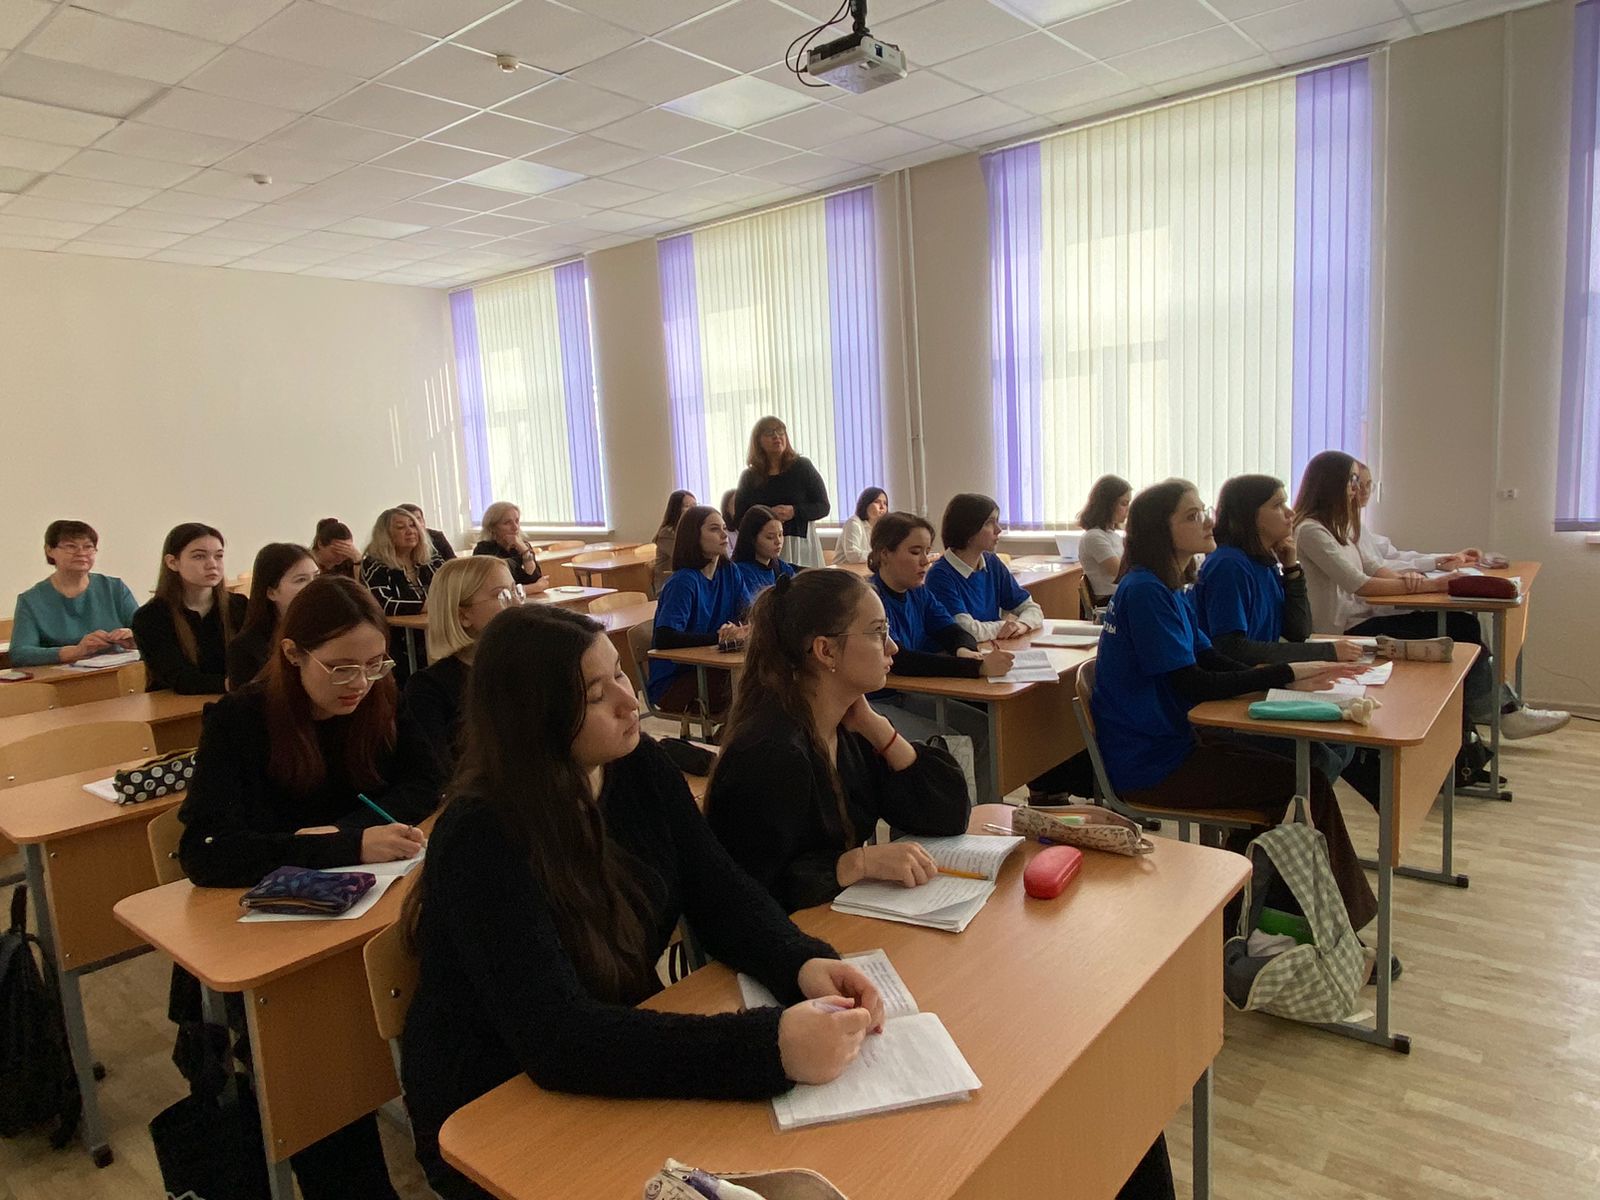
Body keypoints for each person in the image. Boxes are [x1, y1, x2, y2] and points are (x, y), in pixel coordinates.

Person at [399, 604, 885, 1200]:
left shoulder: (636, 766)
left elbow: (719, 890)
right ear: (536, 717)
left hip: (609, 1056)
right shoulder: (482, 834)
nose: (630, 703)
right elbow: (556, 1038)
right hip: (494, 1105)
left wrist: (801, 961)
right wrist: (770, 1047)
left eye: (620, 675)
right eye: (595, 695)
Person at [175, 575, 442, 1199]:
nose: (360, 682)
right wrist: (342, 846)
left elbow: (426, 781)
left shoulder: (379, 694)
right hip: (269, 938)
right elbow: (206, 852)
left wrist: (349, 834)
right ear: (293, 654)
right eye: (341, 667)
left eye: (375, 663)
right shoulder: (239, 720)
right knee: (319, 1059)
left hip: (371, 909)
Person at [1091, 480, 1377, 934]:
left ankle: (1247, 914)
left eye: (1203, 510)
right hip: (1151, 762)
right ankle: (1330, 929)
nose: (1207, 521)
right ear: (1160, 530)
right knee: (1304, 788)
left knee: (1304, 781)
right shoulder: (1146, 591)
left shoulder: (1170, 587)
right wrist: (1284, 673)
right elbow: (1193, 683)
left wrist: (1290, 677)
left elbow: (1211, 659)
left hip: (1175, 744)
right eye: (1191, 516)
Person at [706, 570, 969, 912]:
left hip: (839, 921)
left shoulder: (850, 730)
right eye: (878, 632)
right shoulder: (770, 754)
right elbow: (750, 893)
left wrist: (878, 729)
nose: (892, 646)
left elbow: (948, 815)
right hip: (788, 937)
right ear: (826, 651)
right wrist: (856, 864)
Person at [1293, 451, 1567, 741]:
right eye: (1352, 480)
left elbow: (1375, 567)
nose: (1357, 487)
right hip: (1343, 632)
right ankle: (1496, 714)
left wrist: (1419, 580)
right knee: (1459, 629)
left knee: (1463, 625)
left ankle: (1490, 715)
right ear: (1331, 484)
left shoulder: (1343, 527)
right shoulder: (1311, 531)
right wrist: (1435, 585)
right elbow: (1360, 584)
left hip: (1365, 617)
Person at [1193, 475, 1360, 787]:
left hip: (1258, 682)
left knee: (1343, 741)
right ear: (1250, 515)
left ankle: (1298, 811)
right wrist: (1327, 652)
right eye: (1277, 505)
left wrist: (1292, 568)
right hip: (1230, 695)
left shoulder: (1266, 562)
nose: (1290, 512)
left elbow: (1298, 630)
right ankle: (1288, 812)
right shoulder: (1230, 565)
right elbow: (1230, 647)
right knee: (1320, 756)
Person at [868, 512, 1011, 806]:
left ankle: (981, 814)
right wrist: (975, 667)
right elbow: (902, 661)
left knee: (983, 730)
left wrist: (963, 649)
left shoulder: (919, 593)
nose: (925, 561)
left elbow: (953, 630)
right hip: (876, 701)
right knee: (946, 745)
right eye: (914, 552)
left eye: (926, 551)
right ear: (884, 554)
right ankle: (943, 820)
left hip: (910, 693)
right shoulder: (871, 599)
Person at [402, 556, 516, 769]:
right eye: (502, 595)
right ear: (463, 615)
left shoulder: (527, 667)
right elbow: (438, 770)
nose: (517, 604)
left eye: (516, 591)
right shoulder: (428, 688)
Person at [647, 506, 751, 717]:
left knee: (763, 680)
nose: (724, 534)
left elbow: (749, 612)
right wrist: (719, 638)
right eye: (714, 529)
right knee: (752, 690)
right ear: (694, 536)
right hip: (677, 679)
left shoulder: (730, 571)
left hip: (714, 669)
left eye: (724, 528)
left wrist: (743, 629)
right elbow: (665, 637)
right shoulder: (684, 581)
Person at [130, 523, 246, 694]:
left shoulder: (239, 606)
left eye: (219, 556)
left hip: (235, 699)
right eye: (199, 556)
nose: (212, 564)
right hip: (174, 705)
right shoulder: (151, 616)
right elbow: (180, 678)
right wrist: (236, 685)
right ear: (172, 562)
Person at [9, 519, 138, 666]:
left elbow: (147, 632)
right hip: (63, 675)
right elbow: (20, 653)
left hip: (117, 670)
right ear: (49, 550)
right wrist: (76, 651)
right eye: (71, 547)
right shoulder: (31, 600)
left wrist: (133, 638)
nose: (81, 553)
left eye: (88, 547)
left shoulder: (115, 588)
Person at [924, 493, 1043, 643]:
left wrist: (1022, 625)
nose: (998, 529)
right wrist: (1005, 626)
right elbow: (966, 630)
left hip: (992, 648)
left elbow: (1032, 608)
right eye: (989, 523)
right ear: (968, 529)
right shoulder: (940, 575)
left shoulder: (992, 562)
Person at [732, 416, 831, 567]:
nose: (776, 436)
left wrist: (794, 511)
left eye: (780, 431)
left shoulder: (802, 467)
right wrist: (766, 516)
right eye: (769, 432)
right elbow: (740, 519)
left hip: (800, 543)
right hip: (763, 548)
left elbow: (823, 507)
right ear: (758, 441)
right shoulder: (749, 476)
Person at [363, 506, 442, 683]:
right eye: (400, 527)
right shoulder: (375, 564)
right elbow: (382, 604)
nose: (410, 531)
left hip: (434, 631)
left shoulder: (430, 560)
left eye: (413, 525)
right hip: (399, 639)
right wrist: (423, 606)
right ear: (386, 535)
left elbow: (450, 589)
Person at [226, 543, 317, 690]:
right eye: (301, 580)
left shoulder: (331, 631)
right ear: (271, 592)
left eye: (317, 576)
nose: (314, 586)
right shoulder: (246, 647)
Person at [472, 501, 550, 592]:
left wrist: (525, 551)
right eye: (507, 523)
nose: (515, 527)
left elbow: (534, 578)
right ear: (492, 527)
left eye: (517, 521)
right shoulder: (484, 550)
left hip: (527, 599)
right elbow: (499, 591)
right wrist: (534, 588)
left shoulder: (522, 546)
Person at [1078, 474, 1132, 603]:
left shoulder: (1113, 535)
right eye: (1124, 504)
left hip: (1121, 596)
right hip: (1109, 600)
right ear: (1107, 504)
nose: (1128, 509)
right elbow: (1119, 573)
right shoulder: (1093, 537)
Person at [731, 504, 797, 596]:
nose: (778, 541)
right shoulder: (741, 572)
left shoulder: (782, 568)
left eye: (780, 535)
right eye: (770, 537)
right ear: (752, 539)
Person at [653, 489, 696, 591]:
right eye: (687, 506)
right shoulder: (666, 534)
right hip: (668, 586)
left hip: (688, 582)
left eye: (695, 505)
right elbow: (686, 559)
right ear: (676, 510)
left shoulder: (691, 530)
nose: (693, 510)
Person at [836, 487, 887, 565]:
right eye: (877, 502)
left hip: (865, 569)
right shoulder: (853, 523)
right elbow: (853, 556)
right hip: (843, 570)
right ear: (865, 504)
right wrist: (880, 555)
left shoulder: (882, 528)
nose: (882, 507)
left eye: (885, 503)